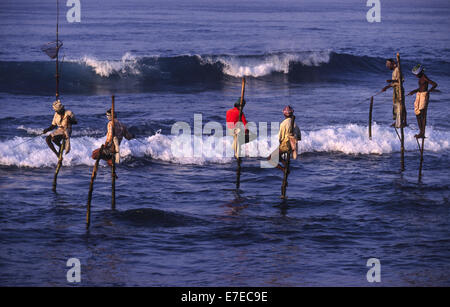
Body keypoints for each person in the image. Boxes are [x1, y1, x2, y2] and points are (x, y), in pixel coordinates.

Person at [407, 64, 438, 138]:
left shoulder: (424, 77)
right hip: (419, 94)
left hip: (424, 95)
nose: (416, 76)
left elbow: (434, 84)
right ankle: (421, 131)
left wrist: (429, 91)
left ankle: (422, 133)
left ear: (420, 72)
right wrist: (414, 91)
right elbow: (421, 88)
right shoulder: (420, 78)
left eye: (417, 74)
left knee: (423, 114)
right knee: (417, 112)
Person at [267, 106, 301, 172]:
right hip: (293, 146)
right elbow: (299, 137)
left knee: (270, 158)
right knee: (279, 156)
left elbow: (280, 138)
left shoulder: (283, 123)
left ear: (284, 114)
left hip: (286, 145)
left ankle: (283, 169)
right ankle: (285, 165)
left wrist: (281, 144)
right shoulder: (295, 124)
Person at [381, 59, 407, 128]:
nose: (387, 66)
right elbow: (394, 83)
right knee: (396, 105)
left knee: (401, 105)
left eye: (388, 65)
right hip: (395, 89)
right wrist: (386, 87)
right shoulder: (394, 71)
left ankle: (404, 122)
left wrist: (391, 80)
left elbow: (401, 80)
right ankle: (397, 121)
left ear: (392, 64)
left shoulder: (398, 69)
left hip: (399, 90)